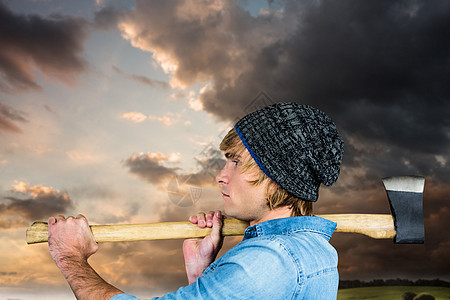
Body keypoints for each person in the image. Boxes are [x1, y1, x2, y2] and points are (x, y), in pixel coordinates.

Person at [47, 102, 344, 299]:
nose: (220, 176)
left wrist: (71, 257)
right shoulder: (315, 249)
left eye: (236, 162)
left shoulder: (268, 261)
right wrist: (202, 273)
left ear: (278, 174)